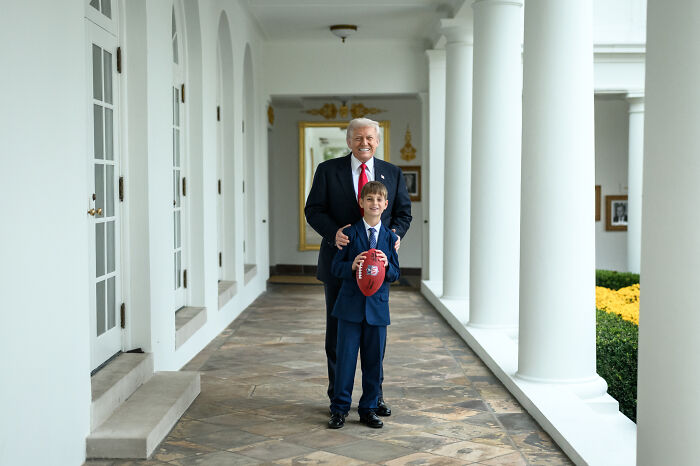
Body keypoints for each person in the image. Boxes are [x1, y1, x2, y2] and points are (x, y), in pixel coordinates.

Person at [305, 118, 412, 417]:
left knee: (374, 338)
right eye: (358, 138)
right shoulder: (328, 170)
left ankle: (373, 399)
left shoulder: (392, 172)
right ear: (349, 140)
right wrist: (332, 232)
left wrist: (396, 237)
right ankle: (337, 399)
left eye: (370, 138)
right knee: (338, 336)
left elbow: (403, 213)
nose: (364, 143)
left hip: (378, 270)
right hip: (339, 265)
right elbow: (313, 210)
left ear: (377, 140)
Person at [327, 181, 400, 429]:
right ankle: (339, 409)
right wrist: (351, 265)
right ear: (361, 202)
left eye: (379, 200)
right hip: (349, 309)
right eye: (369, 199)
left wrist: (387, 265)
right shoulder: (348, 234)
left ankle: (369, 408)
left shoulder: (390, 238)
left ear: (385, 204)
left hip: (377, 310)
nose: (374, 204)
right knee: (345, 360)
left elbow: (396, 273)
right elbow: (334, 267)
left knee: (373, 363)